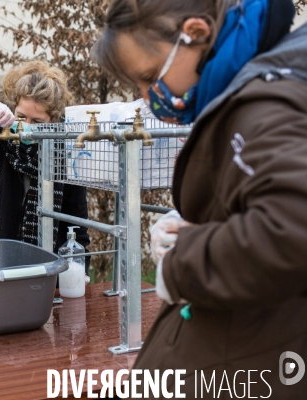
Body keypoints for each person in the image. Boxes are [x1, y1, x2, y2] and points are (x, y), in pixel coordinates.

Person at [93, 0, 307, 396]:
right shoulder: (254, 90)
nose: (146, 94)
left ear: (196, 32)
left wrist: (183, 259)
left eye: (150, 75)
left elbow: (290, 228)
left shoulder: (266, 104)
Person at [0, 60, 91, 275]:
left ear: (53, 120)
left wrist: (80, 272)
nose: (27, 127)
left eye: (37, 121)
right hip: (0, 261)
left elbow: (77, 224)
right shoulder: (1, 139)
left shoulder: (66, 155)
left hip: (49, 269)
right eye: (21, 117)